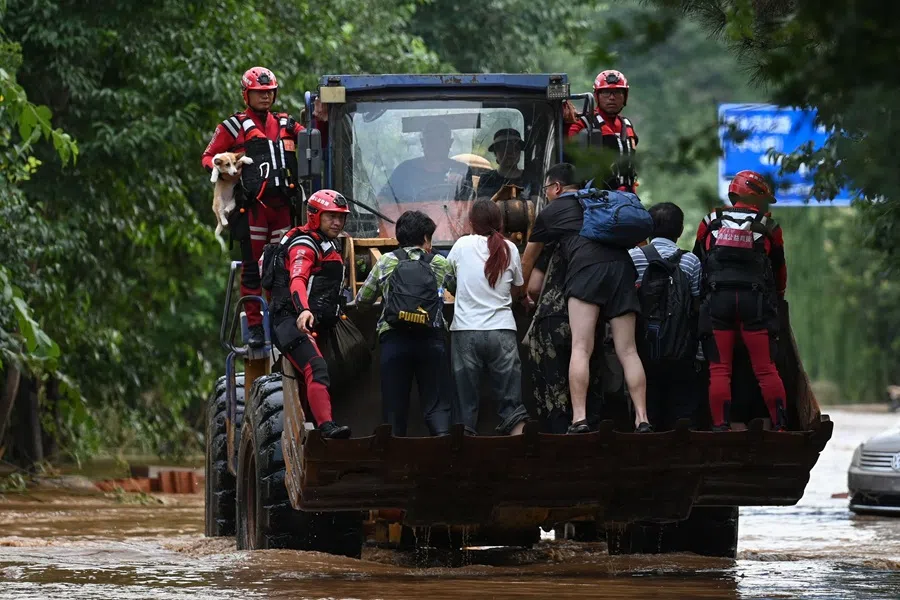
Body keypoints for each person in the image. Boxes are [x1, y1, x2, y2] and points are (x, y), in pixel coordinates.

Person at [522, 163, 651, 434]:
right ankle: (642, 419)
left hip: (587, 269)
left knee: (581, 347)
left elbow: (529, 259)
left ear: (556, 187)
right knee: (628, 350)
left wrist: (518, 292)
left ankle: (578, 419)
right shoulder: (600, 199)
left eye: (547, 189)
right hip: (621, 268)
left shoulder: (553, 210)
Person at [202, 66, 303, 348]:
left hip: (283, 206)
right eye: (259, 93)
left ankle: (283, 323)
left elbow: (312, 136)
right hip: (253, 208)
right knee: (252, 269)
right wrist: (222, 171)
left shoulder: (286, 123)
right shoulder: (232, 126)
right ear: (247, 94)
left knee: (281, 267)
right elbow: (208, 157)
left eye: (269, 92)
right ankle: (256, 328)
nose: (265, 97)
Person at [693, 170, 788, 431]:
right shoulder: (769, 227)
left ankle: (721, 427)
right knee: (766, 368)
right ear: (756, 196)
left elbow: (700, 261)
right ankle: (780, 426)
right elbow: (779, 269)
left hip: (718, 302)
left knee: (720, 369)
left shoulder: (710, 221)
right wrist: (778, 297)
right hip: (754, 304)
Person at [263, 189, 352, 439]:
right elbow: (297, 280)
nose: (337, 222)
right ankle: (326, 428)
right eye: (330, 217)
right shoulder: (304, 245)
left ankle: (314, 427)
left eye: (341, 217)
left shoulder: (325, 242)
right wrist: (303, 311)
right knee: (316, 367)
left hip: (311, 321)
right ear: (314, 216)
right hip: (291, 321)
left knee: (324, 371)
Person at [355, 211, 453, 436]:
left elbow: (362, 301)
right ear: (426, 238)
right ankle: (444, 452)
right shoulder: (439, 262)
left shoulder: (387, 261)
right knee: (437, 405)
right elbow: (458, 290)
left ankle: (396, 462)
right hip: (432, 340)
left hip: (394, 340)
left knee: (394, 408)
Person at [446, 199, 528, 435]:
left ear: (471, 222)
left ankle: (464, 463)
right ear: (501, 223)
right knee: (512, 405)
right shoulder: (510, 248)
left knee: (465, 406)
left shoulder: (461, 245)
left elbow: (448, 278)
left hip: (465, 332)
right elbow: (517, 290)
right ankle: (520, 457)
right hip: (502, 333)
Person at [629, 202, 703, 430]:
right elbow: (697, 305)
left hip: (641, 348)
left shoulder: (633, 257)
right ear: (680, 231)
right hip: (681, 350)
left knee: (648, 398)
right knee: (681, 406)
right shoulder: (691, 261)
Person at [566, 70, 638, 192]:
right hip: (596, 197)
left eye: (617, 93)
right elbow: (569, 158)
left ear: (625, 96)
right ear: (596, 96)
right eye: (605, 92)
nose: (611, 97)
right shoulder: (583, 124)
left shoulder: (627, 125)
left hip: (627, 195)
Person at [378, 120, 472, 204]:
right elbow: (382, 199)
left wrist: (460, 183)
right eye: (431, 138)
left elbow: (467, 207)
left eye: (441, 138)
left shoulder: (462, 171)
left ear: (450, 142)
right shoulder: (405, 170)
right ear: (422, 142)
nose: (436, 143)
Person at [476, 129, 528, 200]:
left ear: (519, 152)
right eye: (504, 148)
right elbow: (484, 207)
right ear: (495, 153)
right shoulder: (487, 179)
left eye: (515, 148)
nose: (510, 153)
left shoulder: (530, 179)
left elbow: (538, 204)